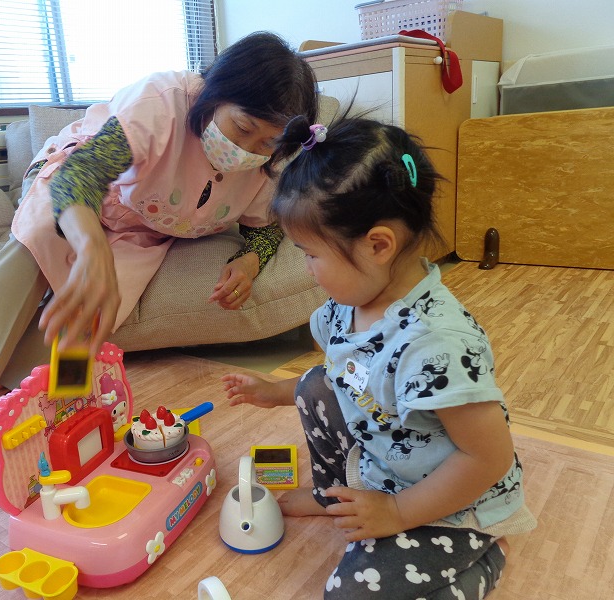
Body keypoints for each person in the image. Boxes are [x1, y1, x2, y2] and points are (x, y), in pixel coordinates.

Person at [0, 31, 318, 519]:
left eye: (266, 143)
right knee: (32, 248)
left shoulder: (268, 166)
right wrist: (90, 251)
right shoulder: (162, 102)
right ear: (214, 94)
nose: (248, 150)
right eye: (242, 128)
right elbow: (80, 177)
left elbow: (266, 224)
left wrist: (251, 259)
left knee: (80, 333)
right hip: (73, 188)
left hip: (141, 231)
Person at [222, 114, 536, 599]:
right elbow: (340, 375)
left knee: (350, 593)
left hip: (451, 504)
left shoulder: (437, 344)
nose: (307, 270)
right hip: (384, 466)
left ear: (377, 245)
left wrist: (397, 513)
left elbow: (488, 458)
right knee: (313, 385)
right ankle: (336, 496)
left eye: (311, 254)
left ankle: (487, 557)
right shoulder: (345, 307)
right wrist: (274, 392)